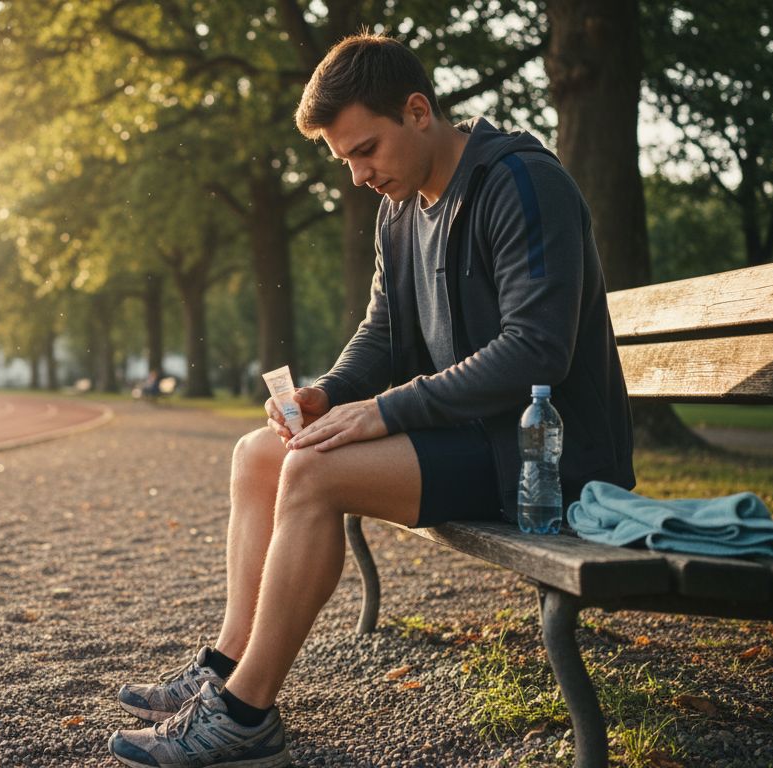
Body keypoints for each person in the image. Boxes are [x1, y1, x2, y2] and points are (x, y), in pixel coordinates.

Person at [108, 31, 635, 768]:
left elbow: (537, 350)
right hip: (477, 441)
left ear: (418, 111)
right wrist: (327, 395)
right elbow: (384, 334)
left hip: (550, 461)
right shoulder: (400, 209)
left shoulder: (520, 181)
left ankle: (244, 716)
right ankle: (226, 667)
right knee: (262, 452)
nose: (358, 175)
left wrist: (385, 411)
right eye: (345, 159)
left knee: (315, 475)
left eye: (365, 151)